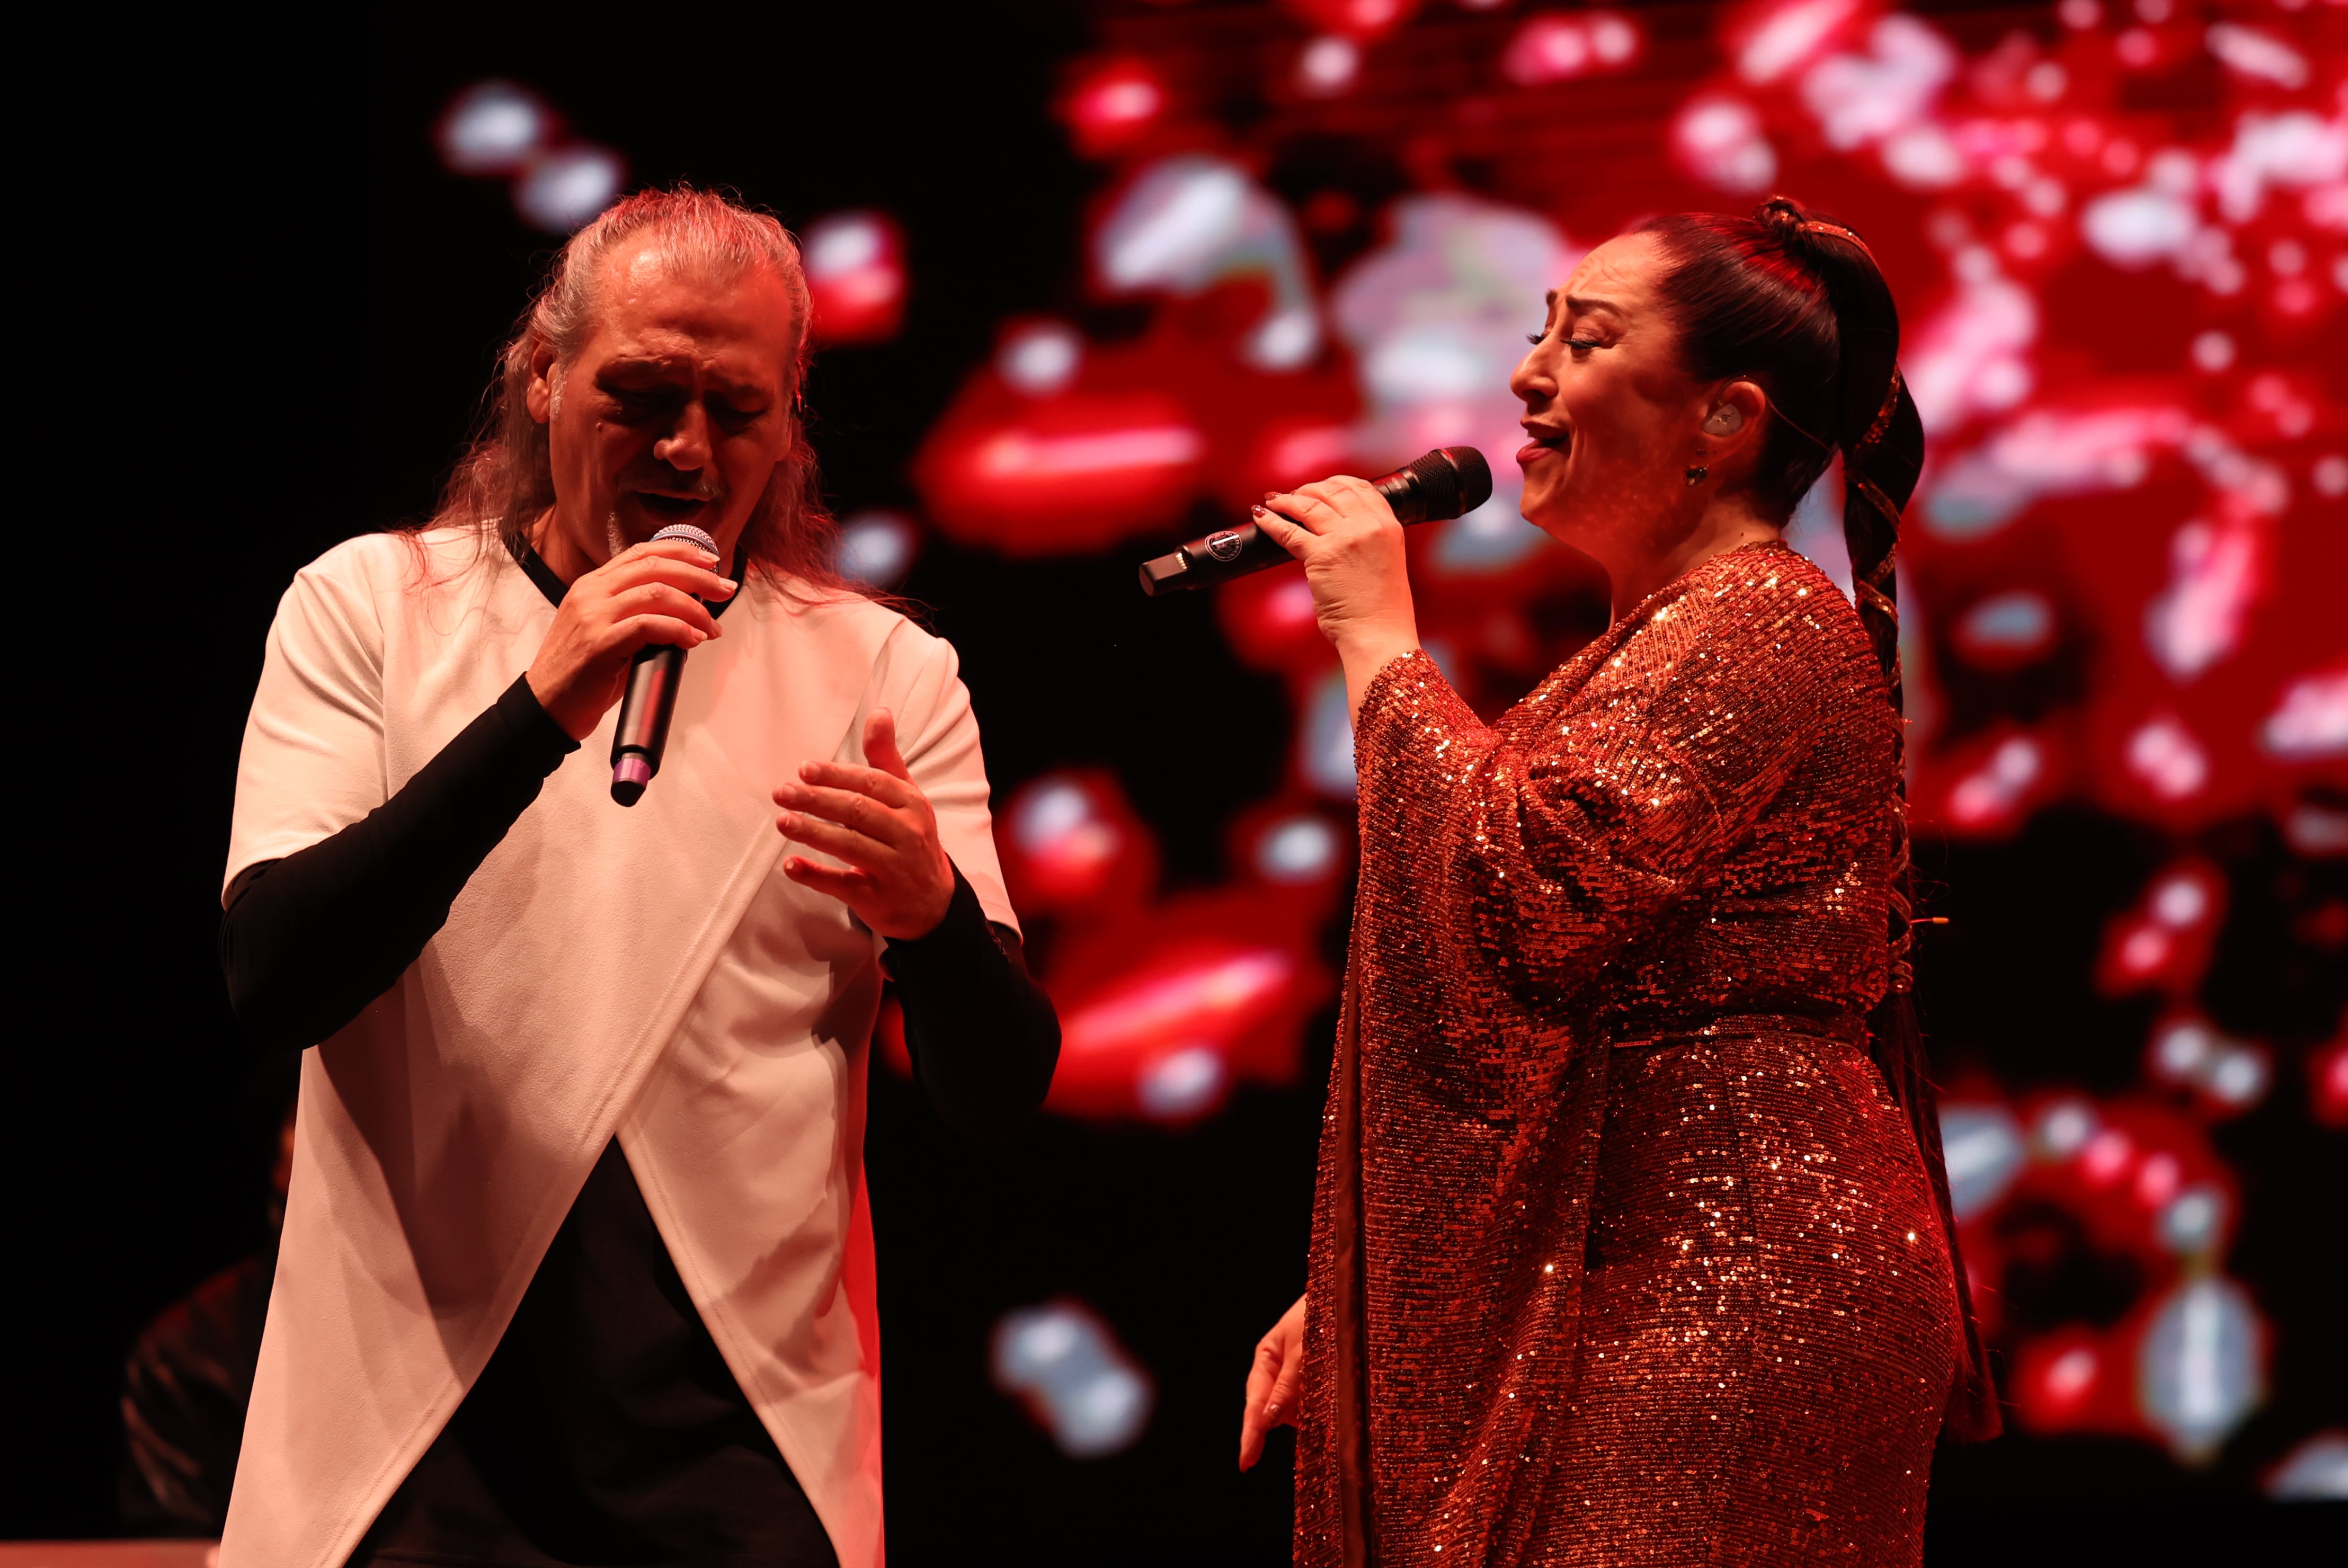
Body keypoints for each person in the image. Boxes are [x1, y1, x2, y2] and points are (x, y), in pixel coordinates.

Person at [217, 188, 1057, 1567]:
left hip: (738, 1451)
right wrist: (541, 707)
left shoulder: (882, 673)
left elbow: (999, 1092)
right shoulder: (369, 609)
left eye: (737, 407)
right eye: (642, 394)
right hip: (415, 1436)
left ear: (792, 420)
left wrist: (935, 922)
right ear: (541, 377)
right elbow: (278, 974)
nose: (686, 447)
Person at [1235, 198, 1997, 1565]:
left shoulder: (1764, 621)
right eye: (1540, 336)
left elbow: (1523, 901)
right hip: (1624, 1258)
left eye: (1583, 342)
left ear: (1724, 420)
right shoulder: (1648, 648)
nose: (1529, 376)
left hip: (1727, 1278)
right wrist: (1376, 1284)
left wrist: (1377, 643)